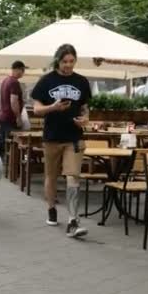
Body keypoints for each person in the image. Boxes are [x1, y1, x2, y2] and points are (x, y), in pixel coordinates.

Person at [32, 44, 90, 238]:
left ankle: (73, 220)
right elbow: (36, 110)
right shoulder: (46, 81)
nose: (68, 65)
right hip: (52, 136)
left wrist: (85, 119)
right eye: (65, 61)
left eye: (72, 61)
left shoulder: (81, 81)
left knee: (73, 176)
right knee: (51, 176)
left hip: (74, 136)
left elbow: (85, 108)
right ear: (58, 60)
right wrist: (53, 107)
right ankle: (51, 209)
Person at [0, 61, 26, 159]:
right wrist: (18, 117)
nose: (23, 73)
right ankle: (12, 167)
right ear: (17, 69)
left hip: (3, 116)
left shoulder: (5, 81)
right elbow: (14, 101)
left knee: (2, 143)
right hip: (10, 118)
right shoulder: (14, 82)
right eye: (22, 70)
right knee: (13, 144)